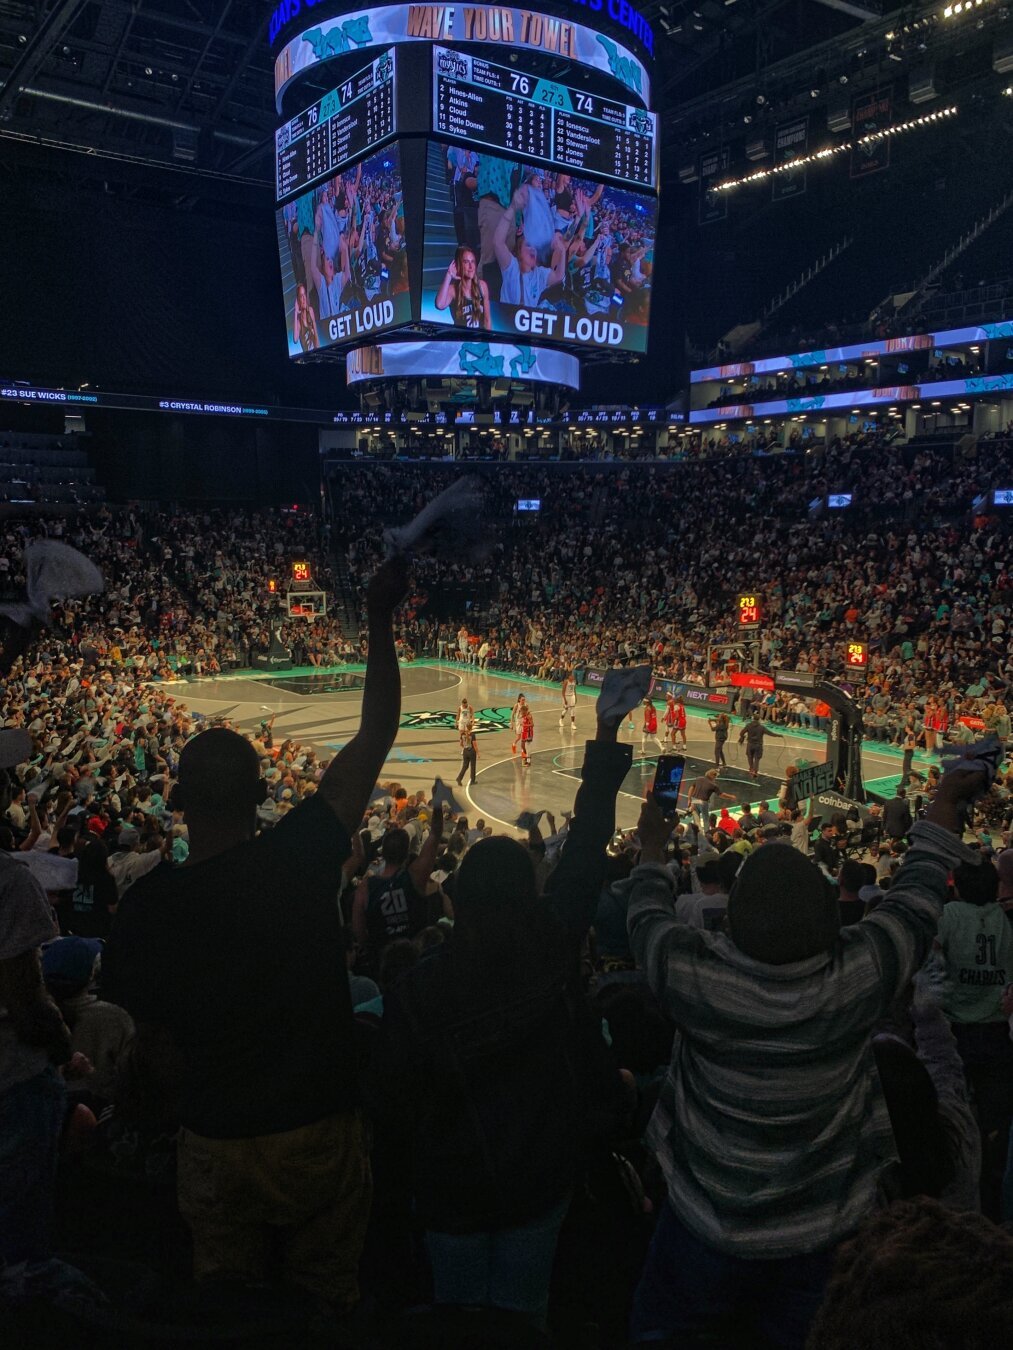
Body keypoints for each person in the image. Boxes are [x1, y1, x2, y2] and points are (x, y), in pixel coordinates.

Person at [103, 556, 409, 1311]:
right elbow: (375, 734)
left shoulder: (145, 909)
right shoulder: (299, 855)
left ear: (176, 802)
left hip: (214, 1138)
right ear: (263, 796)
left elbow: (157, 1052)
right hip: (314, 1131)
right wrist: (376, 616)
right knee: (325, 1298)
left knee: (226, 1307)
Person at [625, 758, 989, 1349]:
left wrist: (652, 844)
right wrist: (946, 800)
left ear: (731, 924)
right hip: (824, 1233)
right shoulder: (861, 975)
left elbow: (644, 911)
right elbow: (918, 897)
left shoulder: (691, 973)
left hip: (704, 1220)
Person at [366, 682, 638, 1327]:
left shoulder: (418, 989)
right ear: (528, 892)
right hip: (536, 1179)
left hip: (450, 1189)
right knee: (525, 1312)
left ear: (455, 901)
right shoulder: (548, 948)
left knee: (456, 1312)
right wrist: (605, 733)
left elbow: (391, 1103)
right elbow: (588, 845)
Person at [935, 858, 1013, 1218]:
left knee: (953, 1117)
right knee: (995, 1117)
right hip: (997, 1028)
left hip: (955, 1031)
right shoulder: (1004, 918)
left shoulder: (949, 915)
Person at [435, 246, 491, 330]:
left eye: (472, 262)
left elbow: (487, 320)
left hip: (479, 339)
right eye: (466, 262)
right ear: (459, 265)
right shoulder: (452, 290)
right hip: (461, 339)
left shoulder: (482, 286)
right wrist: (449, 275)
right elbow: (440, 305)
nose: (471, 267)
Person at [738, 713, 783, 780]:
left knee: (750, 757)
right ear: (759, 720)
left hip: (750, 744)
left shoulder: (748, 725)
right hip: (758, 745)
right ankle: (755, 772)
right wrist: (779, 735)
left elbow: (741, 733)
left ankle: (751, 769)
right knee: (757, 759)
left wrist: (743, 737)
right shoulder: (761, 727)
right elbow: (770, 733)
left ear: (753, 718)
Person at [457, 719, 478, 787]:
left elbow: (460, 744)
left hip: (465, 751)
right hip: (471, 751)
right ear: (471, 727)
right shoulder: (472, 735)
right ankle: (472, 781)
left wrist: (464, 747)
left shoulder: (462, 734)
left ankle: (459, 778)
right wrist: (478, 753)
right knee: (473, 766)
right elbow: (474, 745)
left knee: (465, 766)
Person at [520, 703, 535, 767]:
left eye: (522, 712)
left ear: (524, 711)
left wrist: (524, 725)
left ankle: (528, 762)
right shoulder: (523, 715)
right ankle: (527, 757)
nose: (521, 713)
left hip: (528, 733)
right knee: (522, 746)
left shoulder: (529, 716)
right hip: (524, 732)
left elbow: (532, 724)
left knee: (528, 747)